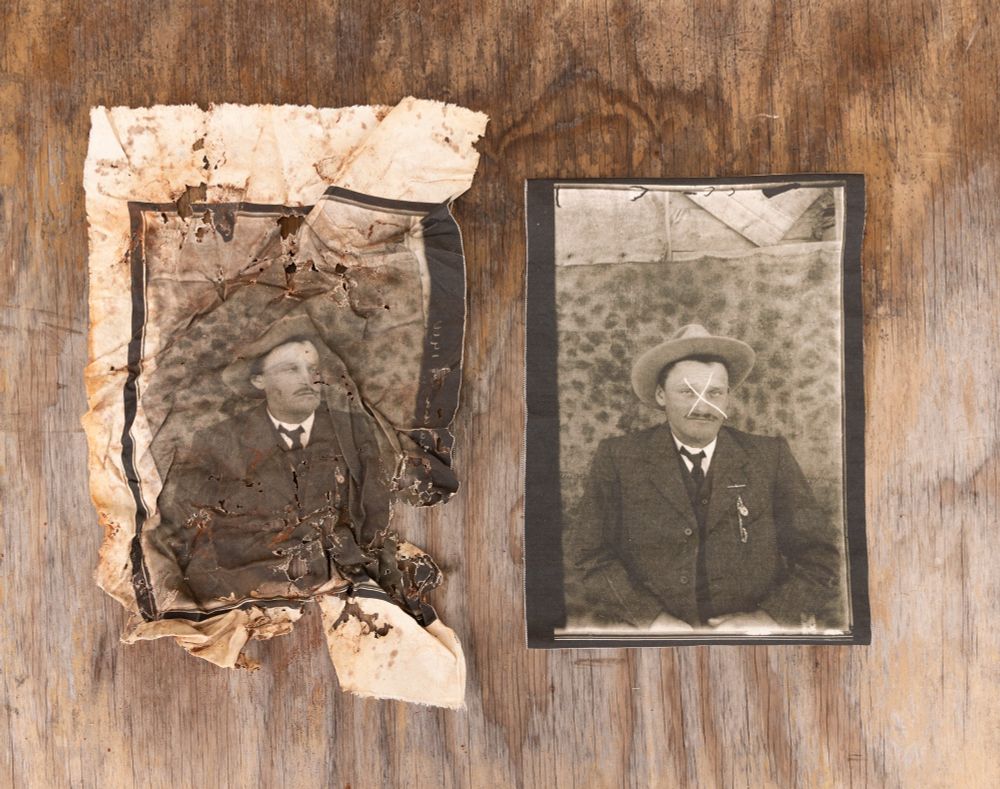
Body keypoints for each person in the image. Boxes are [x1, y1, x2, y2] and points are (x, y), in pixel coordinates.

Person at [150, 313, 428, 614]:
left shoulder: (354, 431)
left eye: (312, 369)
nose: (307, 379)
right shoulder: (217, 441)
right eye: (290, 369)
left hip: (337, 598)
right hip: (244, 598)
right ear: (259, 380)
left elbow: (377, 516)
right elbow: (184, 531)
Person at [571, 323, 842, 632]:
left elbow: (820, 557)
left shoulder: (770, 457)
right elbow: (591, 557)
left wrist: (768, 619)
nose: (703, 406)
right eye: (688, 392)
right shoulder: (618, 458)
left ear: (728, 398)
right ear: (661, 395)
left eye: (715, 392)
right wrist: (651, 620)